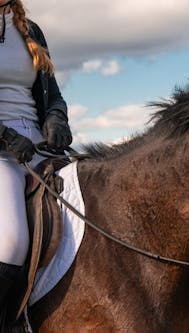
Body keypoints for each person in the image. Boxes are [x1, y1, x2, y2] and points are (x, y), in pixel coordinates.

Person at [0, 0, 72, 315]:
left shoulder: (31, 30)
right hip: (4, 151)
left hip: (40, 145)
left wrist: (57, 119)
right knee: (13, 243)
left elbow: (52, 94)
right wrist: (5, 137)